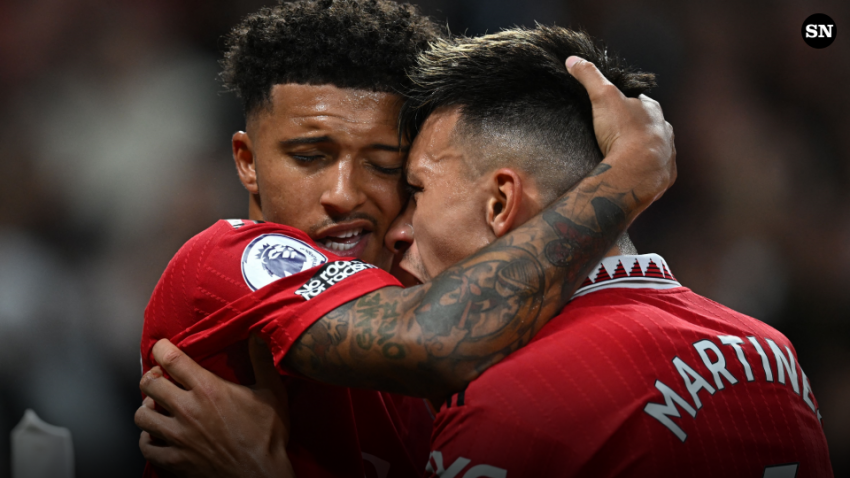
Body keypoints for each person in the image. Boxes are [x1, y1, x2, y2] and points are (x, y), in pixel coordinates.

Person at [142, 25, 831, 477]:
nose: (346, 195)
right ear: (247, 162)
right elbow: (434, 339)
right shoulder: (771, 352)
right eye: (310, 156)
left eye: (396, 173)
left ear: (502, 202)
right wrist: (629, 176)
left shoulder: (507, 390)